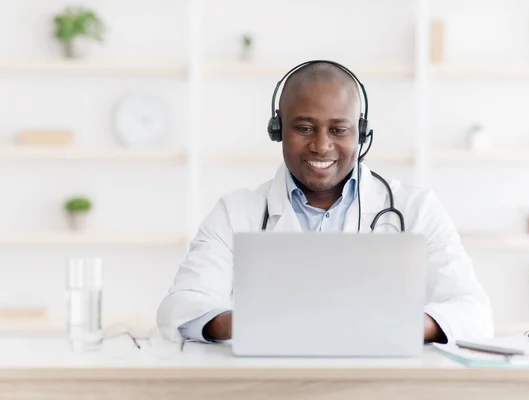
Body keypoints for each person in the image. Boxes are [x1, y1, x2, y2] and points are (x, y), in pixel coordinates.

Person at [157, 60, 494, 344]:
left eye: (338, 130)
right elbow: (180, 308)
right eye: (304, 128)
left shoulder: (416, 209)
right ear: (277, 128)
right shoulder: (235, 212)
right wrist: (248, 323)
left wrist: (400, 327)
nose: (321, 146)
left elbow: (474, 313)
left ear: (361, 133)